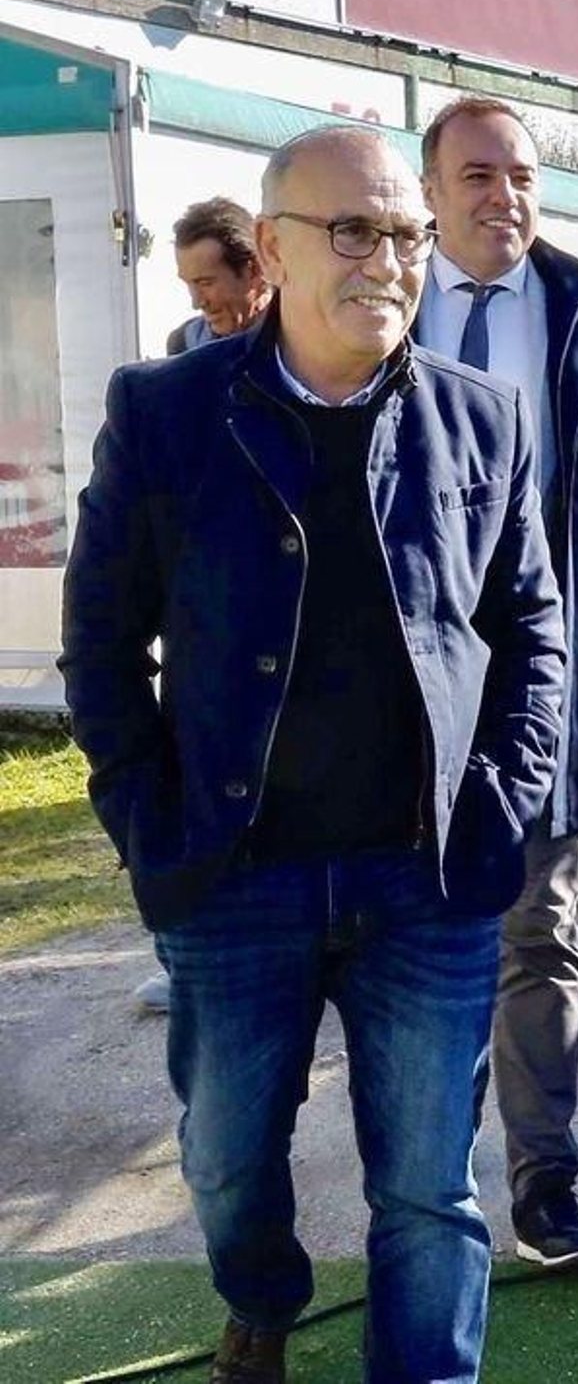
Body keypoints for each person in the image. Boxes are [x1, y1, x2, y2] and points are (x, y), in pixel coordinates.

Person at [59, 125, 567, 1384]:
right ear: (273, 249)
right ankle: (262, 1299)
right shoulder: (167, 414)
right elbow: (101, 645)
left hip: (425, 882)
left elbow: (533, 633)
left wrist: (498, 799)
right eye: (353, 231)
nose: (387, 261)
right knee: (227, 1162)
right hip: (234, 879)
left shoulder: (482, 419)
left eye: (406, 234)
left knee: (429, 1190)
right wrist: (149, 824)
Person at [414, 96, 578, 1268]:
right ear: (429, 191)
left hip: (549, 674)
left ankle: (545, 1188)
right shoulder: (378, 298)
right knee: (418, 942)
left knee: (540, 931)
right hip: (402, 682)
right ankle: (428, 1189)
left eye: (521, 175)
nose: (503, 195)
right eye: (477, 174)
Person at [133, 197, 278, 1017]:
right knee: (192, 779)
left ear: (255, 268)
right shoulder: (179, 353)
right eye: (189, 284)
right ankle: (184, 951)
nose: (200, 300)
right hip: (202, 605)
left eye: (209, 281)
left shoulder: (302, 348)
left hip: (276, 596)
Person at [166, 196, 274, 354]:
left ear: (254, 271)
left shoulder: (303, 337)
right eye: (189, 284)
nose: (197, 303)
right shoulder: (184, 345)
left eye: (205, 283)